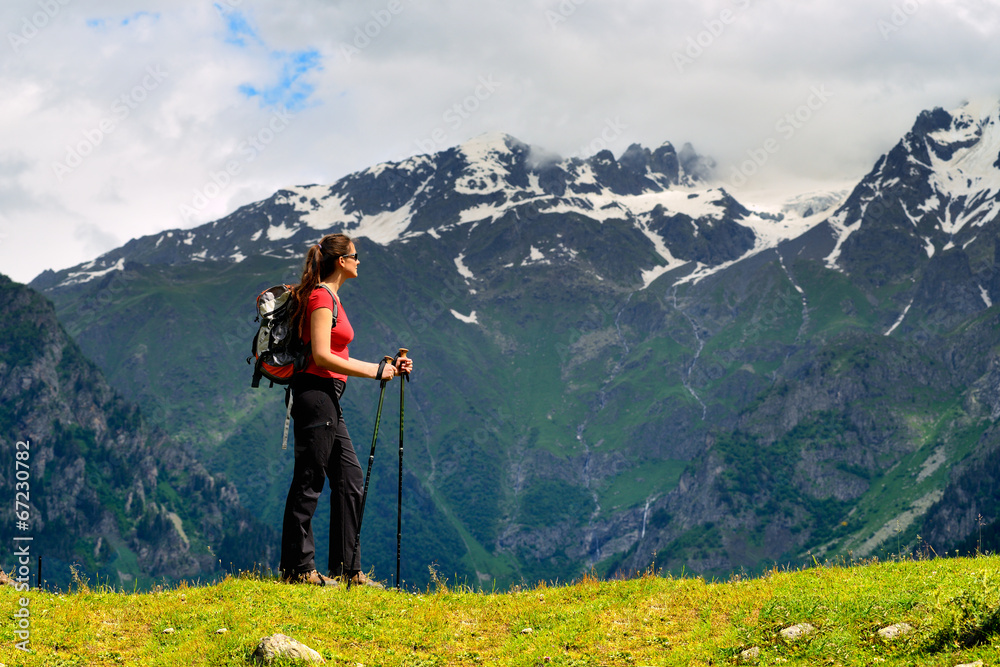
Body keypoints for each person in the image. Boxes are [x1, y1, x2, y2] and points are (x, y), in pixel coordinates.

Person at [279, 233, 413, 587]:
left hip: (327, 395)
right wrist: (374, 370)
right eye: (356, 256)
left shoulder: (331, 297)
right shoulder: (323, 297)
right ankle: (298, 569)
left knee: (350, 478)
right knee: (310, 479)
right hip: (316, 393)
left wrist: (388, 366)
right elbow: (322, 355)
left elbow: (331, 354)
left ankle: (347, 570)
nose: (358, 261)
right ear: (341, 261)